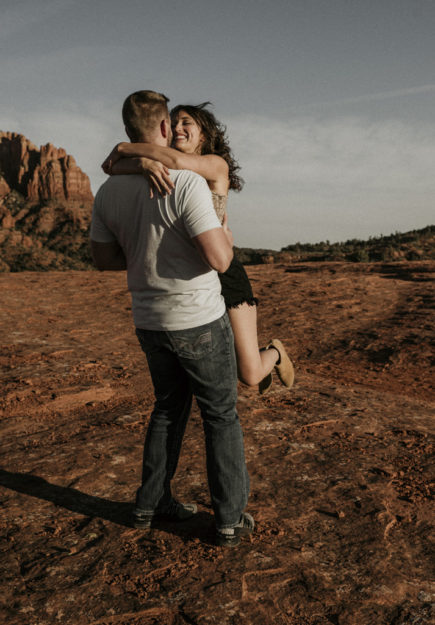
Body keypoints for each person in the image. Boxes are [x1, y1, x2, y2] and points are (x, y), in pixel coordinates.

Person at [90, 90, 253, 547]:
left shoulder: (107, 190)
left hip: (148, 320)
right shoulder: (186, 184)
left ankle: (150, 503)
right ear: (163, 129)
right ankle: (228, 519)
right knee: (220, 415)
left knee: (167, 409)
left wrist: (143, 249)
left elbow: (104, 260)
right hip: (197, 317)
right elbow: (220, 260)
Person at [102, 103, 294, 395]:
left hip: (223, 273)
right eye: (174, 122)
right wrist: (142, 163)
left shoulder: (215, 164)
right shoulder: (161, 165)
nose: (178, 127)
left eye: (187, 122)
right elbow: (111, 168)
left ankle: (276, 352)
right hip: (190, 282)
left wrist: (126, 148)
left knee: (250, 374)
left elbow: (172, 163)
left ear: (204, 134)